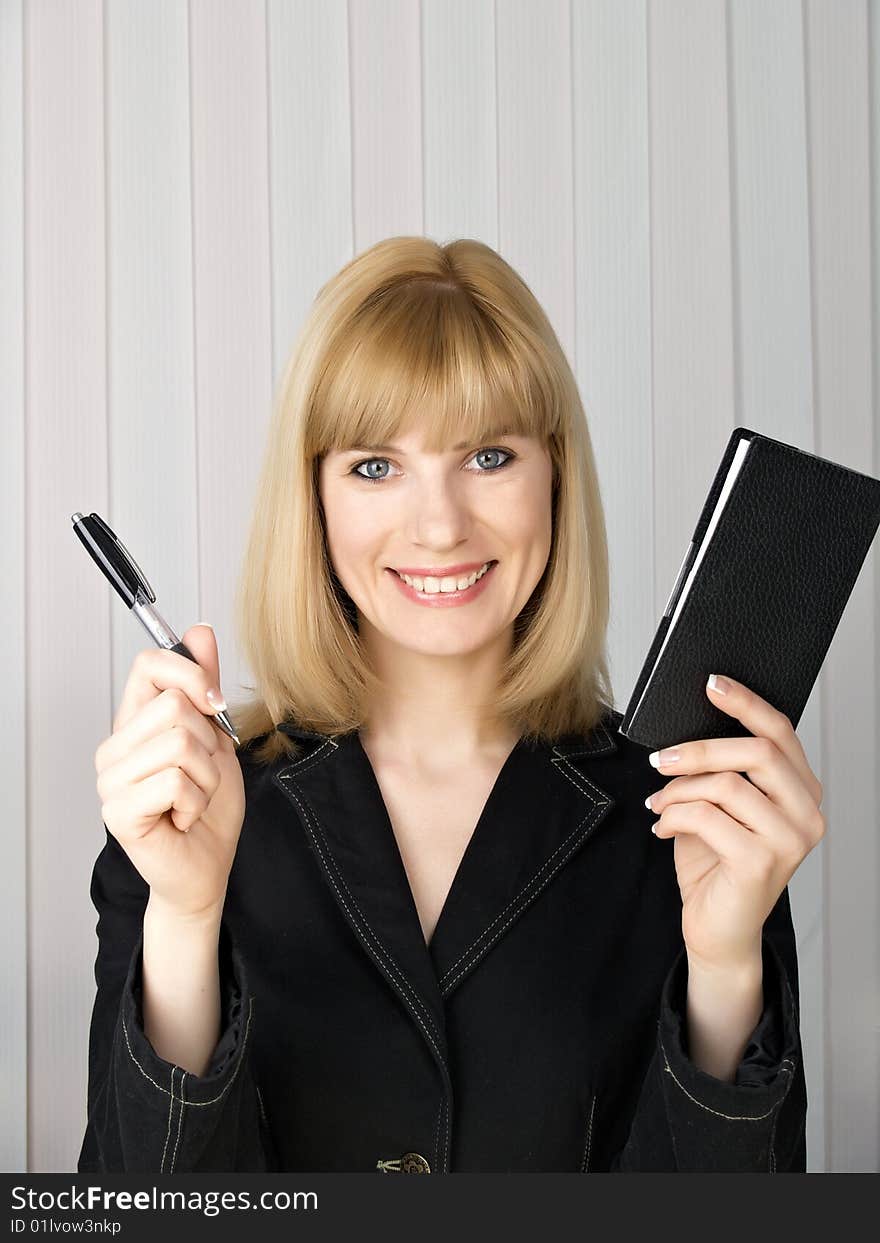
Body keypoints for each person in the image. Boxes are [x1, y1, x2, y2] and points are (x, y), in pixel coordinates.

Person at [78, 237, 822, 1173]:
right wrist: (186, 918)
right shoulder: (186, 811)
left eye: (488, 454)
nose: (439, 526)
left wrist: (724, 973)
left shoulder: (690, 814)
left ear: (554, 473)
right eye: (375, 467)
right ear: (313, 496)